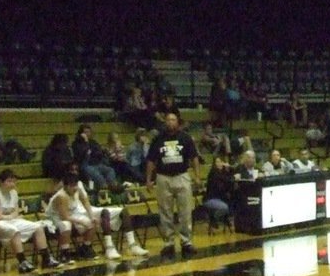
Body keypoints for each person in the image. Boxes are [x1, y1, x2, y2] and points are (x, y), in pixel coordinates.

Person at [46, 171, 146, 261]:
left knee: (91, 222)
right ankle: (65, 254)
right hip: (56, 218)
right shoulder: (61, 196)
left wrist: (91, 216)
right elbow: (65, 217)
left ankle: (85, 248)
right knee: (66, 225)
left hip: (72, 214)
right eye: (72, 186)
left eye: (76, 185)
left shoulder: (77, 190)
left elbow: (85, 202)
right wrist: (81, 221)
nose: (75, 188)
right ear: (65, 186)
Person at [0, 169, 64, 272]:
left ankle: (46, 258)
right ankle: (22, 262)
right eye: (9, 181)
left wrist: (11, 217)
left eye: (14, 181)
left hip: (8, 220)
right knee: (13, 230)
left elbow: (16, 211)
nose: (12, 184)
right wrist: (11, 217)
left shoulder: (14, 193)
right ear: (1, 182)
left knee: (38, 227)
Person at [145, 112, 202, 259]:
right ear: (165, 122)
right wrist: (148, 179)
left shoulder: (185, 138)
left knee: (185, 211)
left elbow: (194, 157)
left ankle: (186, 241)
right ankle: (168, 242)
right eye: (168, 119)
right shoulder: (158, 139)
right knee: (165, 212)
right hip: (163, 177)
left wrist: (197, 176)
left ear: (178, 122)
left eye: (173, 119)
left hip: (182, 175)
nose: (170, 122)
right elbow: (151, 160)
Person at [202, 156, 236, 232]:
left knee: (233, 203)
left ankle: (228, 222)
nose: (219, 164)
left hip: (221, 198)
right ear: (214, 164)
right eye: (217, 162)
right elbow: (225, 181)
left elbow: (230, 180)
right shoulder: (213, 173)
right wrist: (231, 176)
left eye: (220, 162)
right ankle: (214, 220)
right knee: (224, 208)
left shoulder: (224, 173)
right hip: (211, 199)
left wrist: (229, 169)